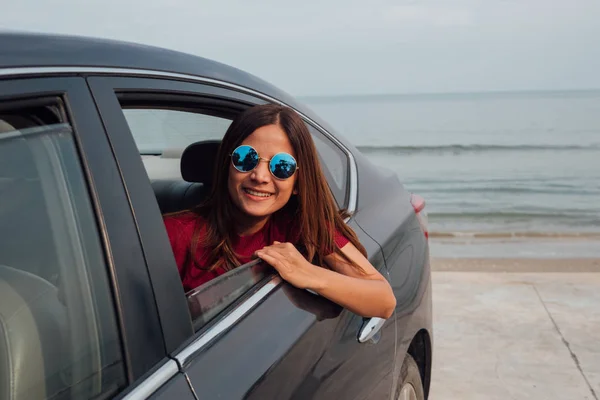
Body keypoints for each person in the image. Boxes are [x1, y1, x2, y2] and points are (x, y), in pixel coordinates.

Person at [163, 104, 396, 318]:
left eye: (281, 166)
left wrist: (307, 273)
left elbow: (384, 300)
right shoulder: (176, 235)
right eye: (246, 159)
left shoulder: (300, 227)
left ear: (297, 182)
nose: (260, 177)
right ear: (227, 166)